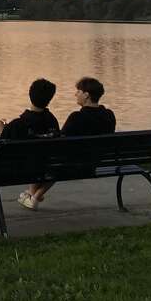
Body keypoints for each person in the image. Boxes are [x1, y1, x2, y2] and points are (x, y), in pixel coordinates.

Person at [18, 76, 115, 210]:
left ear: (86, 95)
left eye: (78, 91)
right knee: (55, 158)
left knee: (43, 154)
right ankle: (32, 195)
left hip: (73, 165)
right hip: (96, 162)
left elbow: (59, 143)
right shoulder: (109, 115)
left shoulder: (77, 117)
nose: (76, 94)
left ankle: (33, 196)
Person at [0, 78, 60, 215]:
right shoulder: (53, 122)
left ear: (30, 94)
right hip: (43, 168)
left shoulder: (18, 124)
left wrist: (1, 130)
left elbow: (3, 142)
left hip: (13, 171)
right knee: (36, 156)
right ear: (50, 98)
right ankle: (32, 195)